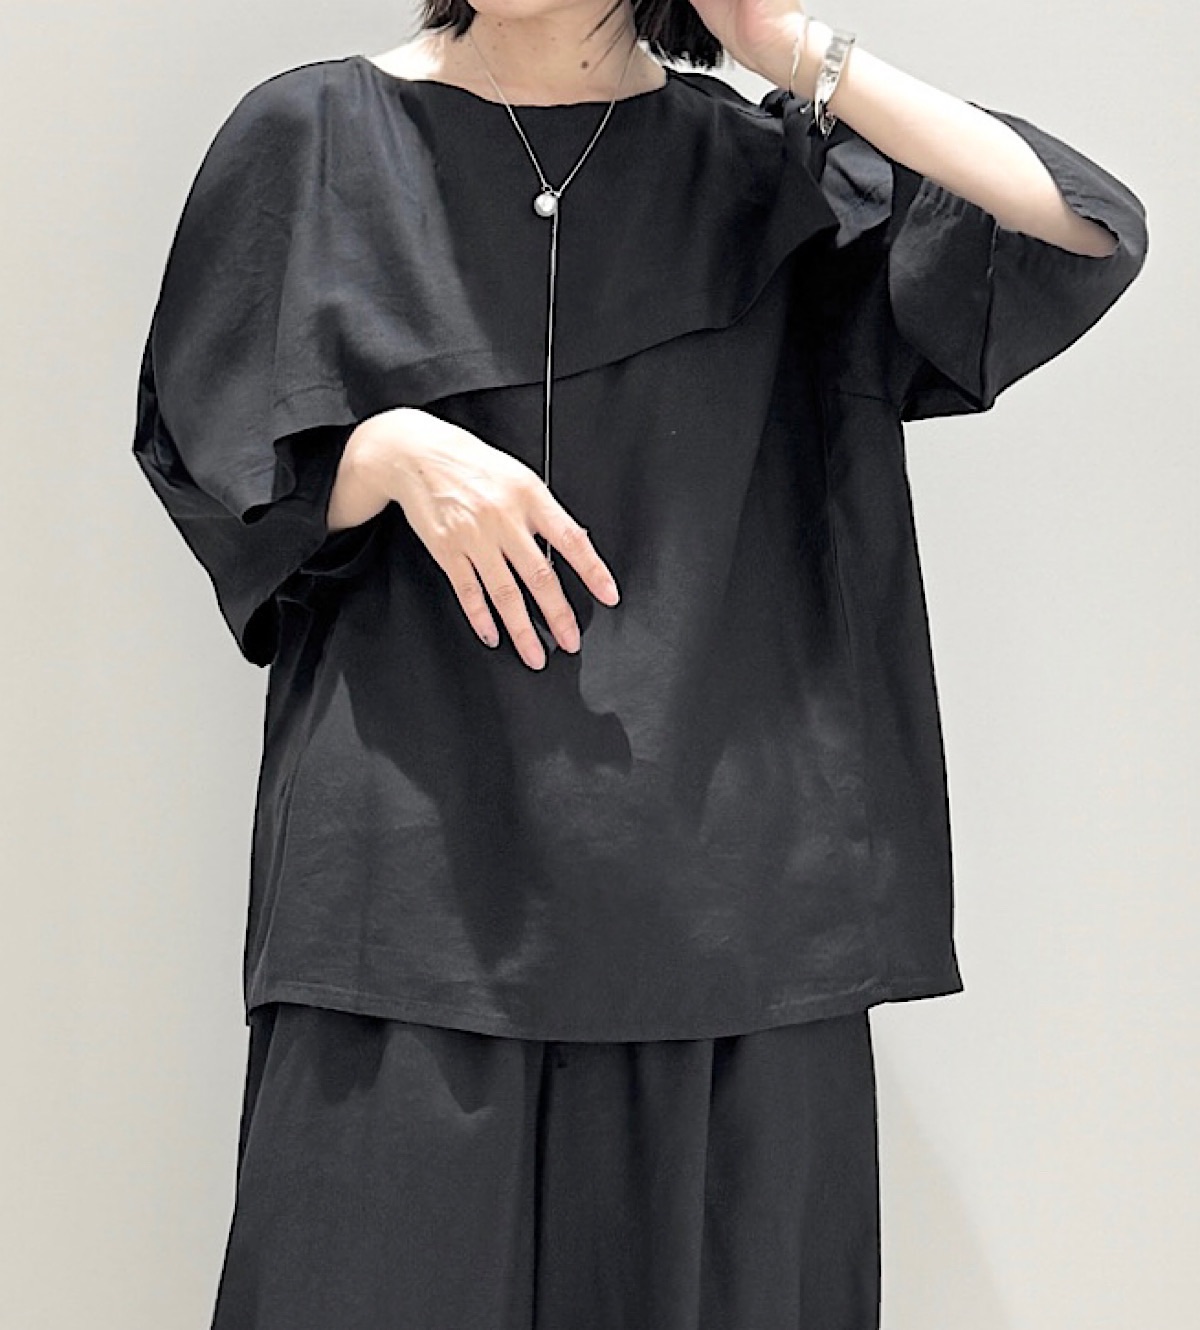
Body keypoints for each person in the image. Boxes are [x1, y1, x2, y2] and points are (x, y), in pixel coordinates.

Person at [130, 0, 1148, 1325]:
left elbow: (1080, 229)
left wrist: (787, 48)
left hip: (729, 939)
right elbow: (207, 452)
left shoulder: (773, 177)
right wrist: (382, 453)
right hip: (403, 915)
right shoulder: (312, 138)